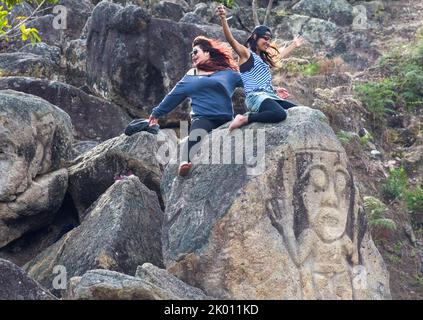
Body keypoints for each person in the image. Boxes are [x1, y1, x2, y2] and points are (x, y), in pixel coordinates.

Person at [148, 36, 243, 176]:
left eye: (195, 52)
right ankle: (184, 164)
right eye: (191, 54)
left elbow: (251, 84)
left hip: (226, 119)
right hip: (203, 118)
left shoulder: (228, 73)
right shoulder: (191, 75)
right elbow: (174, 96)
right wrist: (156, 113)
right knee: (195, 136)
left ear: (207, 53)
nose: (192, 56)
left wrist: (273, 90)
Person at [216, 5, 305, 132]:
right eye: (265, 38)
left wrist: (293, 45)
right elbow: (231, 40)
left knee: (297, 110)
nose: (268, 42)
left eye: (269, 39)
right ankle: (245, 119)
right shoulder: (246, 54)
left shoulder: (263, 60)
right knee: (280, 114)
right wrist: (223, 18)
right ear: (255, 37)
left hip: (268, 95)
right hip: (255, 97)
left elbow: (278, 57)